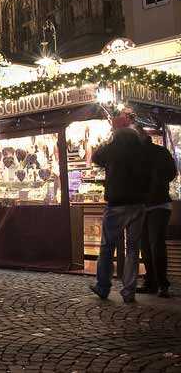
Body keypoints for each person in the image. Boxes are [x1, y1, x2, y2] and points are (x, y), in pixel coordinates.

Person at [89, 121, 150, 303]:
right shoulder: (141, 151)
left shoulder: (113, 148)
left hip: (116, 203)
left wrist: (109, 140)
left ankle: (103, 286)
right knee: (133, 248)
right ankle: (129, 290)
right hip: (138, 204)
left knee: (108, 246)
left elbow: (96, 157)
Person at [137, 134, 177, 298]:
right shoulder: (162, 152)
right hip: (159, 202)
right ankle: (158, 283)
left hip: (150, 204)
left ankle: (156, 282)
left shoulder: (136, 154)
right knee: (153, 244)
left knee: (149, 245)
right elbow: (172, 173)